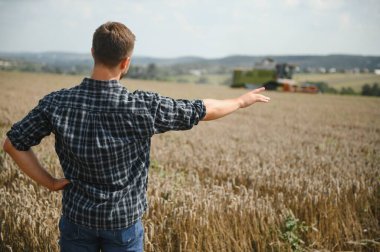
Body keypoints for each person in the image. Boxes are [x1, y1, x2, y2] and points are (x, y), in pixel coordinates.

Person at [2, 21, 270, 252]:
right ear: (126, 62)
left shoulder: (57, 103)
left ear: (92, 52)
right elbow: (203, 109)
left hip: (77, 219)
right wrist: (240, 101)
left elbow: (13, 144)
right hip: (123, 224)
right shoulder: (142, 107)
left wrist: (49, 182)